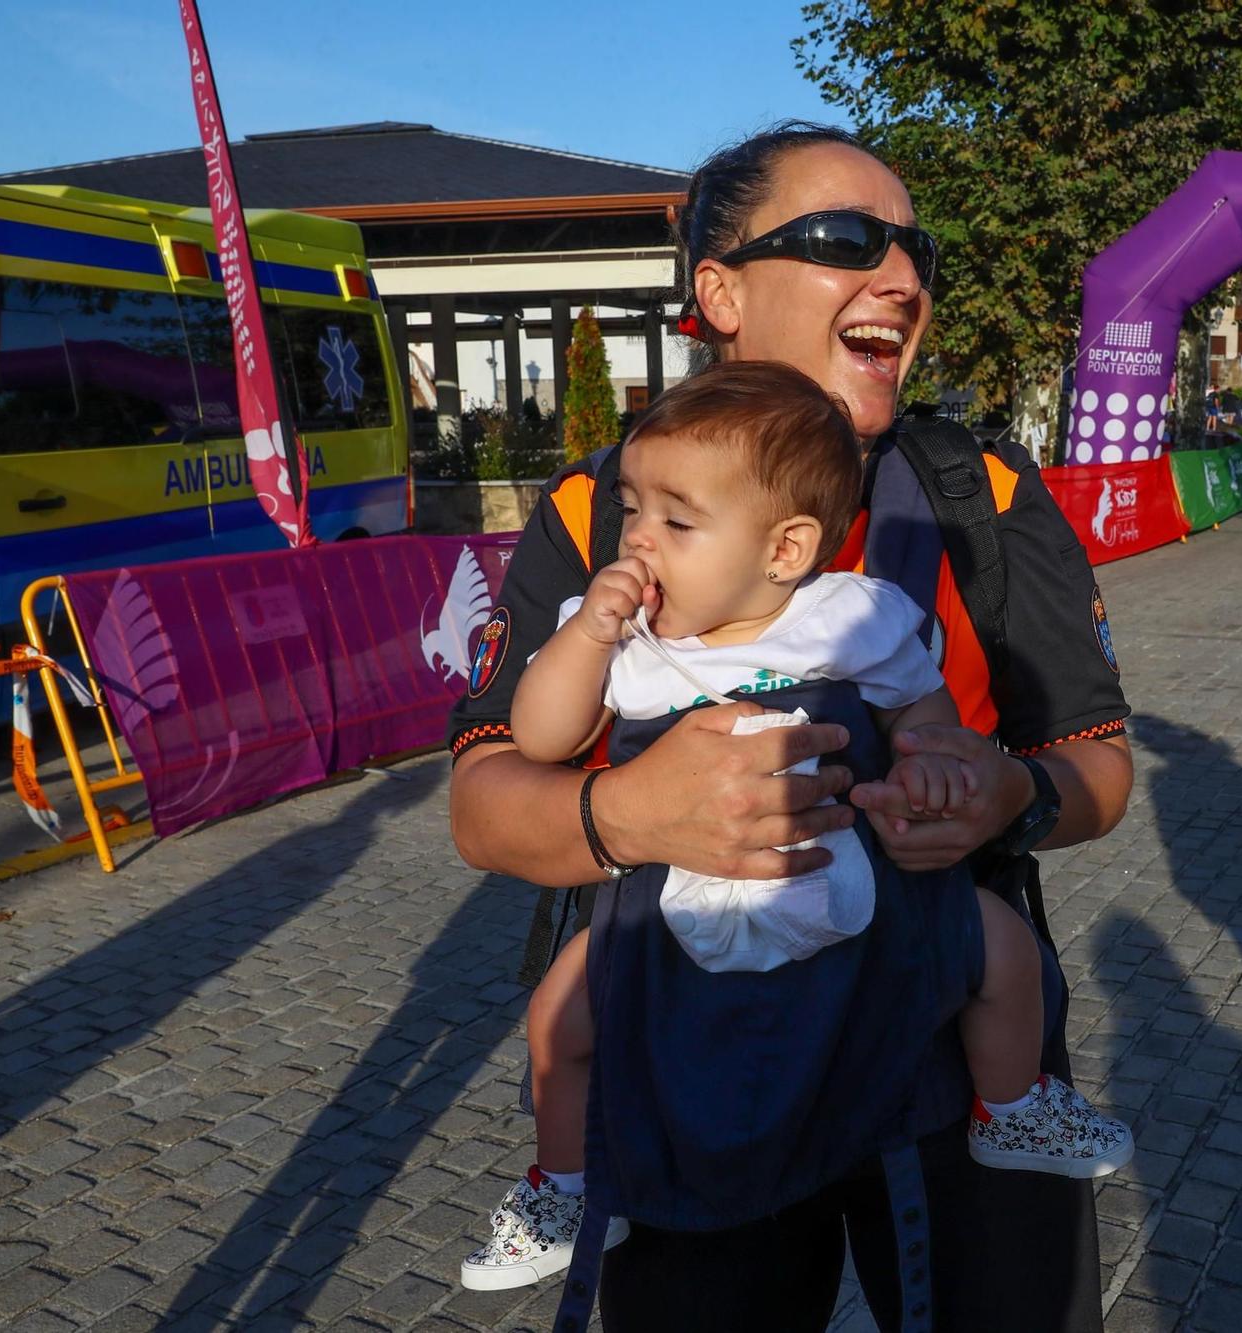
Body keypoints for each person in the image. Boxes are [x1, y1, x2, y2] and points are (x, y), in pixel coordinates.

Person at [444, 121, 1135, 1332]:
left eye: (913, 248)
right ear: (716, 289)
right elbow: (482, 803)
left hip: (941, 1032)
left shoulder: (986, 495)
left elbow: (1098, 767)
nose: (903, 279)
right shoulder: (599, 511)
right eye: (842, 241)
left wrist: (1004, 795)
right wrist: (627, 815)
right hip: (695, 1046)